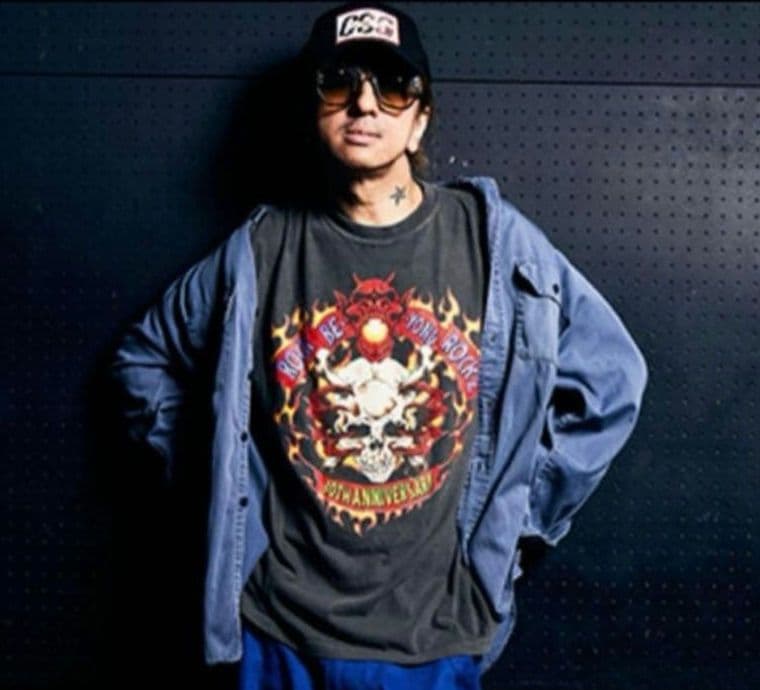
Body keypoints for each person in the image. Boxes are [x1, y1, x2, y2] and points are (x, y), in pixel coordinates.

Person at [109, 2, 649, 689]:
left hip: (436, 637)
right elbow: (143, 360)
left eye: (393, 86)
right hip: (279, 631)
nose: (364, 103)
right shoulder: (259, 249)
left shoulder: (493, 240)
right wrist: (222, 483)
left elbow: (613, 379)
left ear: (420, 118)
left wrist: (520, 516)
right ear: (314, 108)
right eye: (339, 83)